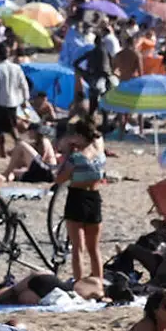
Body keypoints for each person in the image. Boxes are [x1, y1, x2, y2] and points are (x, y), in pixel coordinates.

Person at [55, 115, 107, 283]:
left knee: (78, 248)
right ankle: (98, 283)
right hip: (94, 198)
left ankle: (79, 283)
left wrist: (68, 153)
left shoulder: (76, 157)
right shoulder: (100, 155)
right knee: (94, 249)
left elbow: (59, 178)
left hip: (77, 198)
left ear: (80, 136)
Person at [0, 50, 30, 156]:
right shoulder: (16, 68)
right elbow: (24, 84)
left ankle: (3, 151)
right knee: (13, 126)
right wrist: (25, 100)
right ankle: (20, 146)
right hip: (13, 101)